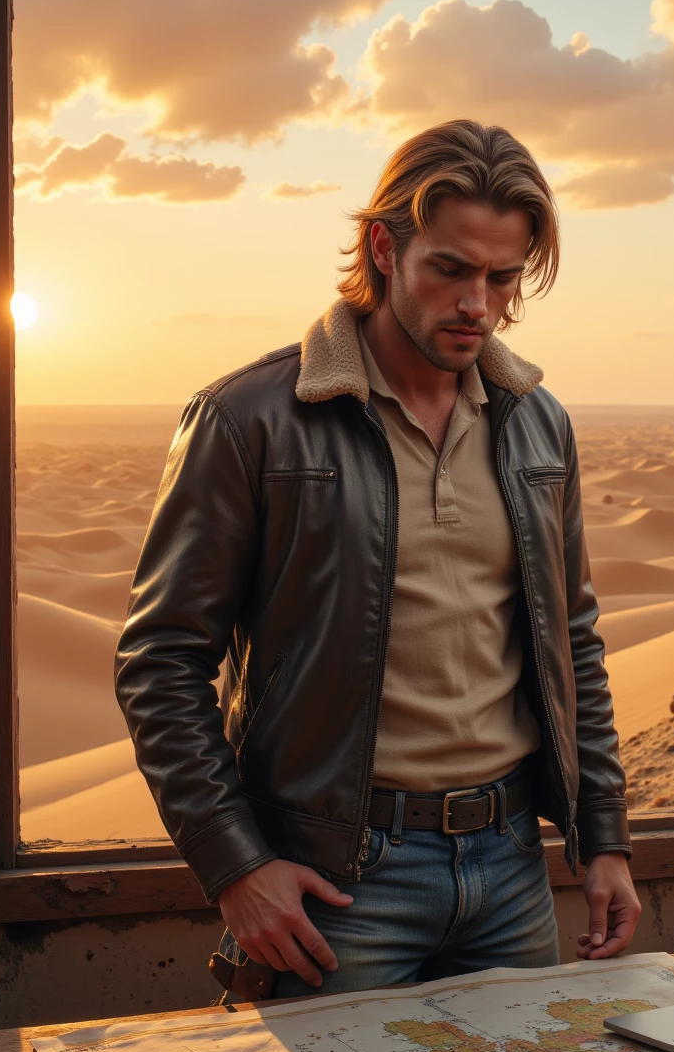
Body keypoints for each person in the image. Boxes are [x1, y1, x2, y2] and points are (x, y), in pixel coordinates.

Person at [115, 119, 640, 1000]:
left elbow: (572, 645)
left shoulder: (537, 424)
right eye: (451, 268)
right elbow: (160, 663)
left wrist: (605, 837)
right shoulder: (250, 420)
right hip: (340, 880)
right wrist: (237, 867)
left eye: (504, 278)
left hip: (513, 869)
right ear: (383, 248)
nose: (479, 302)